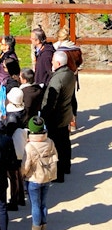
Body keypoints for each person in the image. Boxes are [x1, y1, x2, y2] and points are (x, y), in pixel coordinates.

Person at [41, 51, 75, 183]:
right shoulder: (70, 74)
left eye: (53, 61)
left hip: (56, 117)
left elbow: (51, 102)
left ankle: (58, 174)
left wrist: (44, 116)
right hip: (66, 113)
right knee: (65, 141)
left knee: (56, 146)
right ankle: (66, 166)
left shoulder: (57, 79)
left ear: (58, 63)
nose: (51, 63)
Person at [22, 116, 58, 230]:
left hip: (34, 179)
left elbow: (25, 166)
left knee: (35, 205)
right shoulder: (50, 142)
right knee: (43, 203)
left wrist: (23, 174)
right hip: (46, 177)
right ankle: (43, 229)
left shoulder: (29, 147)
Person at [54, 27, 83, 132]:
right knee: (72, 97)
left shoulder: (58, 49)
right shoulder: (76, 49)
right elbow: (80, 61)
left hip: (62, 76)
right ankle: (73, 120)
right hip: (73, 76)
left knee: (62, 99)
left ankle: (65, 122)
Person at [5, 87, 27, 211]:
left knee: (13, 176)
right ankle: (20, 198)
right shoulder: (23, 111)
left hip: (14, 148)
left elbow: (8, 133)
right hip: (21, 144)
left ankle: (14, 201)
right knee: (19, 173)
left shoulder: (12, 117)